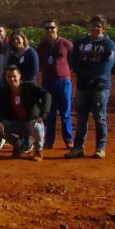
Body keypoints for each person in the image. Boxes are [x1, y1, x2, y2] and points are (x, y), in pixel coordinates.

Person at [65, 15, 115, 160]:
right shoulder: (80, 44)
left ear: (103, 28)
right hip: (82, 86)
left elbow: (105, 66)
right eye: (93, 25)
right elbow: (74, 61)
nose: (95, 28)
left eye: (98, 26)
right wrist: (82, 74)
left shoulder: (109, 45)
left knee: (99, 117)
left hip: (100, 87)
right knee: (81, 118)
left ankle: (100, 148)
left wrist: (91, 76)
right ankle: (78, 148)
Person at [0, 65, 50, 161]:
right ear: (5, 77)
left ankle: (38, 150)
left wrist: (43, 115)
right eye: (9, 77)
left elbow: (46, 95)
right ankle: (19, 145)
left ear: (19, 76)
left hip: (31, 123)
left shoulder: (30, 87)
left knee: (37, 126)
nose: (12, 79)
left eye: (14, 76)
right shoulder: (2, 91)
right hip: (15, 123)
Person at [36, 18, 74, 150]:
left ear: (57, 28)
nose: (50, 30)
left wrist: (68, 73)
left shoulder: (66, 44)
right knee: (49, 113)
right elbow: (39, 63)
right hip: (47, 82)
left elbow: (73, 60)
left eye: (52, 27)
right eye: (47, 28)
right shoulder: (42, 46)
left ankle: (68, 139)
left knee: (65, 113)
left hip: (63, 82)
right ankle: (49, 140)